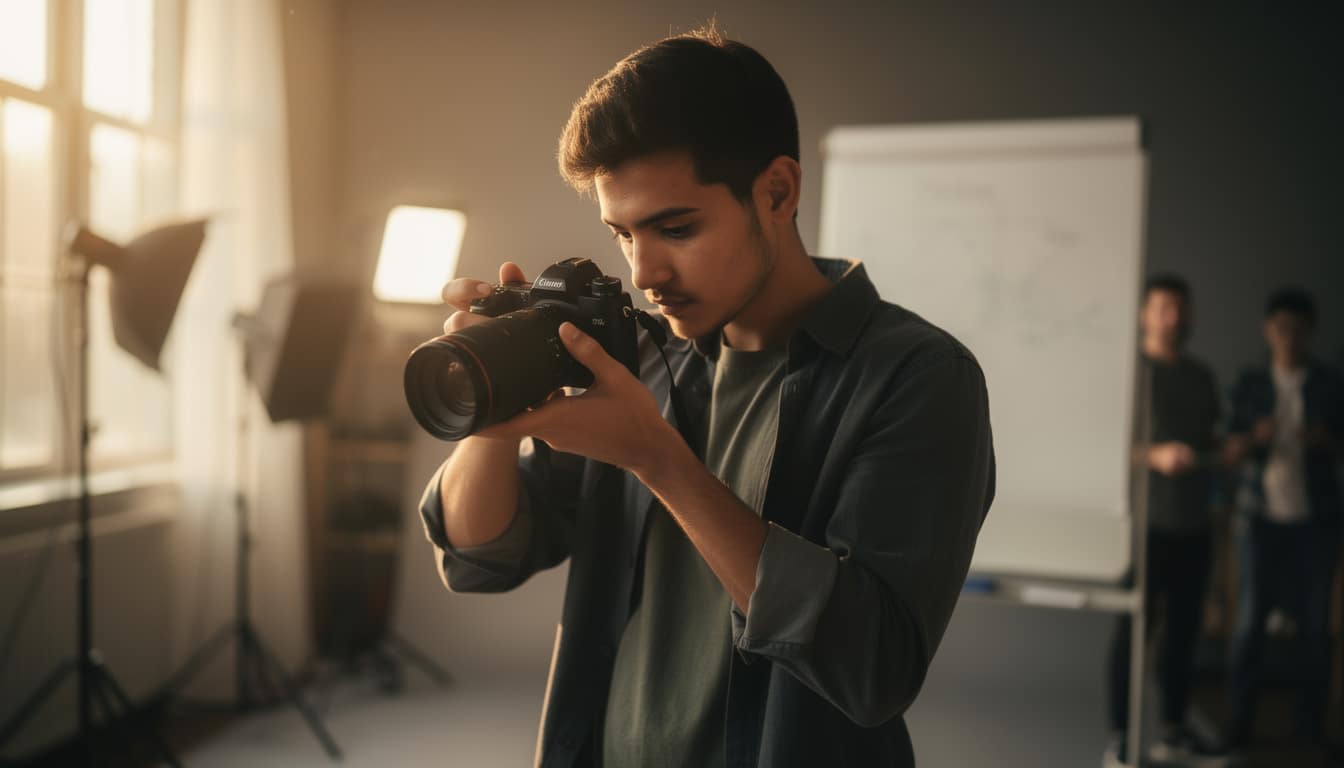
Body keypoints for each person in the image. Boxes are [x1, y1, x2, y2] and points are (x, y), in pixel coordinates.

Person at [416, 28, 995, 768]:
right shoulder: (643, 361)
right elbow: (480, 555)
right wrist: (493, 404)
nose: (645, 270)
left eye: (676, 227)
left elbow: (872, 666)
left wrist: (659, 461)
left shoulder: (915, 376)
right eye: (622, 234)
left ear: (778, 192)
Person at [1104, 275, 1225, 763]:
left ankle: (1173, 731)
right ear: (1144, 314)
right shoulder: (1130, 374)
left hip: (1194, 523)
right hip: (1144, 526)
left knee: (1183, 634)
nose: (1172, 318)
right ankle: (1120, 738)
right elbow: (1108, 448)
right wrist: (1153, 456)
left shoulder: (1200, 376)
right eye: (1163, 308)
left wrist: (1227, 451)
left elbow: (1210, 443)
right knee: (1133, 634)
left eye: (1180, 308)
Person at [1225, 288, 1344, 752]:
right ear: (1267, 329)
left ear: (1310, 332)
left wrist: (1324, 441)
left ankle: (1311, 727)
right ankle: (1239, 724)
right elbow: (1229, 450)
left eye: (1297, 329)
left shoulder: (1329, 384)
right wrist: (1254, 438)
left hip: (1316, 520)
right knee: (1250, 623)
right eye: (1281, 328)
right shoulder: (1252, 382)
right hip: (1259, 519)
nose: (1289, 337)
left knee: (1316, 627)